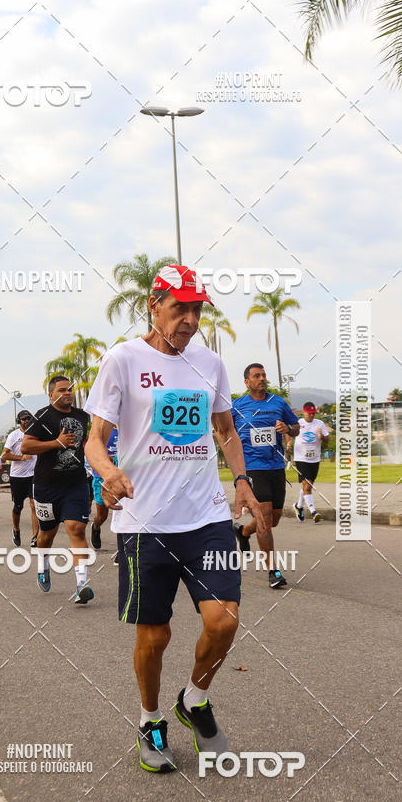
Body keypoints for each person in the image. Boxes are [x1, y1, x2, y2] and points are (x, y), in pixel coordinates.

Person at [84, 264, 265, 774]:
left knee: (223, 619)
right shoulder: (123, 359)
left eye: (196, 309)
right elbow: (96, 437)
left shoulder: (210, 363)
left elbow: (226, 429)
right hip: (144, 521)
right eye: (178, 308)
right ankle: (150, 719)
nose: (188, 319)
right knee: (155, 634)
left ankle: (195, 699)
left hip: (205, 515)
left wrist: (243, 482)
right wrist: (108, 472)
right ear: (154, 306)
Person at [21, 377, 94, 603]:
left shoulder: (82, 416)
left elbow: (87, 444)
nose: (68, 393)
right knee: (46, 536)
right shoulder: (42, 417)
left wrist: (103, 466)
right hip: (46, 486)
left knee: (77, 528)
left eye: (70, 389)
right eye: (62, 390)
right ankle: (43, 565)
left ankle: (82, 583)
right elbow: (26, 446)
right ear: (51, 395)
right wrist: (57, 443)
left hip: (76, 484)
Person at [231, 363, 300, 589]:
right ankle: (273, 571)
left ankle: (243, 531)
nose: (262, 379)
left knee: (274, 519)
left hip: (276, 466)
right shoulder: (237, 406)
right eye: (256, 376)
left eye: (263, 375)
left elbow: (296, 426)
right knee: (265, 516)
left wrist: (287, 430)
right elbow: (225, 432)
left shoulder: (278, 403)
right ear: (247, 382)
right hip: (252, 467)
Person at [289, 401, 330, 523]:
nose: (312, 415)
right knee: (307, 485)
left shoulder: (320, 423)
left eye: (314, 413)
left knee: (308, 485)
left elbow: (327, 440)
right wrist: (288, 441)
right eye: (310, 413)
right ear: (304, 412)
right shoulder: (298, 423)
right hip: (301, 458)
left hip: (314, 459)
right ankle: (313, 511)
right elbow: (288, 432)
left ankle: (299, 506)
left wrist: (321, 436)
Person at [1, 412, 38, 547]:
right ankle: (16, 529)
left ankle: (35, 537)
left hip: (33, 475)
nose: (27, 421)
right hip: (18, 477)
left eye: (29, 418)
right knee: (18, 507)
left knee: (35, 505)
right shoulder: (14, 435)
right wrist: (21, 458)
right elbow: (4, 455)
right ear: (19, 421)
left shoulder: (37, 433)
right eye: (24, 419)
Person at [90, 428, 118, 550]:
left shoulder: (131, 429)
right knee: (102, 516)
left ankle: (121, 550)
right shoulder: (103, 429)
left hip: (124, 477)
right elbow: (92, 449)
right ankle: (96, 526)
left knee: (124, 514)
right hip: (102, 477)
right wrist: (107, 458)